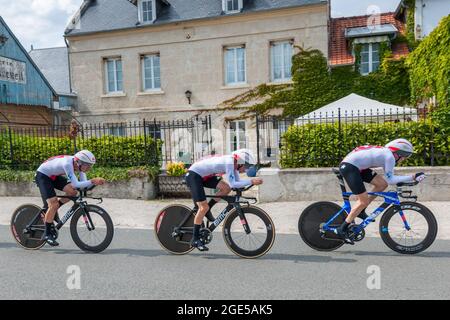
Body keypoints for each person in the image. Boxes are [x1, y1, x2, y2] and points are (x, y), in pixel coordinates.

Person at [336, 138, 426, 242]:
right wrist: (413, 177)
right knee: (362, 201)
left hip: (356, 166)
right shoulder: (389, 157)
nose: (405, 159)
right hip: (350, 167)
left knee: (382, 184)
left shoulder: (386, 153)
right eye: (406, 156)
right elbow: (391, 179)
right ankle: (341, 229)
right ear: (399, 152)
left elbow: (387, 180)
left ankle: (361, 211)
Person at [185, 149, 263, 251]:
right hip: (194, 175)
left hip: (205, 176)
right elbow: (233, 183)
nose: (246, 169)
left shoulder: (234, 165)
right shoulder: (229, 162)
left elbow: (237, 182)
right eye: (247, 165)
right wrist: (251, 181)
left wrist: (250, 182)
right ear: (240, 162)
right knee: (203, 207)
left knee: (226, 188)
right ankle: (195, 239)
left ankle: (208, 209)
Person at [35, 150, 106, 246]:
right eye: (88, 165)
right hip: (43, 176)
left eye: (90, 165)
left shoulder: (78, 166)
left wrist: (93, 184)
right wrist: (93, 181)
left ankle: (54, 209)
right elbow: (76, 184)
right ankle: (47, 234)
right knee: (53, 204)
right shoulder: (68, 164)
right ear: (79, 162)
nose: (89, 168)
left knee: (73, 192)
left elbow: (81, 186)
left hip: (53, 176)